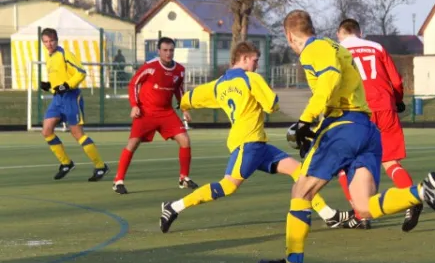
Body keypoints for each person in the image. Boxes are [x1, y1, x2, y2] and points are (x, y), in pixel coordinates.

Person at [257, 10, 435, 263]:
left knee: (300, 191)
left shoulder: (314, 49)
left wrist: (305, 121)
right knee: (362, 208)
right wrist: (313, 128)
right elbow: (340, 87)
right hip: (366, 129)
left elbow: (328, 81)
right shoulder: (334, 47)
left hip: (344, 128)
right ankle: (422, 192)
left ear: (289, 36)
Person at [159, 41, 349, 233]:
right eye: (255, 60)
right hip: (248, 144)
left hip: (258, 145)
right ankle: (173, 207)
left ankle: (328, 214)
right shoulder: (251, 78)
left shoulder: (218, 84)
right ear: (244, 59)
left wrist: (183, 105)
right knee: (228, 186)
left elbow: (190, 98)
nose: (257, 65)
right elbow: (272, 105)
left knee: (299, 172)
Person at [335, 18, 421, 232]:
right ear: (360, 32)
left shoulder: (337, 50)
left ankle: (360, 214)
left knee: (346, 166)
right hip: (385, 107)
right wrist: (398, 100)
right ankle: (411, 199)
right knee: (390, 162)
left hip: (358, 111)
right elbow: (397, 81)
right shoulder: (377, 47)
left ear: (340, 34)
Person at [112, 37, 197, 194]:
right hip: (146, 112)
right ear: (159, 51)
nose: (168, 53)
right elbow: (134, 84)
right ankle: (118, 181)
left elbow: (178, 90)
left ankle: (183, 178)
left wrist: (184, 108)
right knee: (133, 143)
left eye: (171, 50)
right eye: (165, 50)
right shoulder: (150, 67)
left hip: (166, 112)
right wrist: (135, 106)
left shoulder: (180, 70)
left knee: (185, 140)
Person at [39, 27, 109, 181]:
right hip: (57, 99)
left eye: (51, 41)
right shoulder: (49, 57)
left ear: (57, 40)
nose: (49, 44)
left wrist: (66, 85)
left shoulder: (65, 54)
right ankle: (66, 163)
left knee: (77, 134)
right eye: (45, 41)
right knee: (46, 131)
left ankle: (100, 166)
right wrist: (49, 86)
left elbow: (81, 72)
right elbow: (58, 83)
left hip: (71, 98)